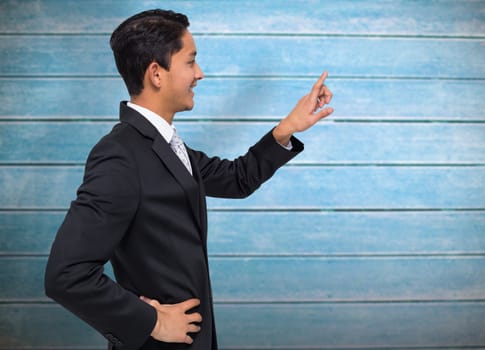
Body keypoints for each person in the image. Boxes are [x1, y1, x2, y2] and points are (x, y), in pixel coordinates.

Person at [44, 9, 333, 350]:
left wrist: (288, 128)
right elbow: (66, 275)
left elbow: (237, 179)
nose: (200, 73)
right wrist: (150, 320)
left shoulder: (168, 145)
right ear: (156, 74)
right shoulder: (119, 156)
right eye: (190, 61)